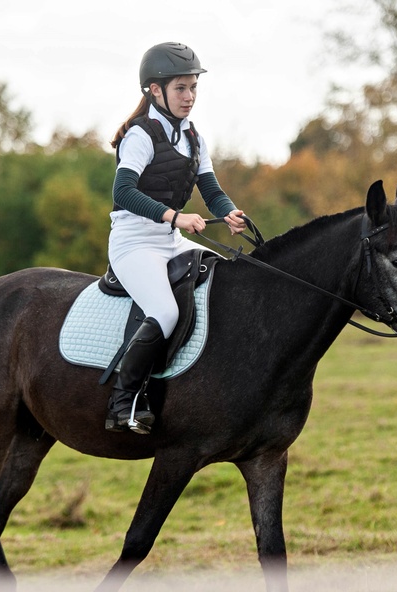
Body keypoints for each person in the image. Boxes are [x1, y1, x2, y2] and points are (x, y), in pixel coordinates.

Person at [105, 41, 247, 434]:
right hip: (134, 241)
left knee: (228, 281)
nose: (189, 97)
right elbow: (123, 192)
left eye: (193, 88)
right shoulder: (140, 135)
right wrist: (176, 217)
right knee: (165, 313)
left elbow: (211, 190)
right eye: (181, 88)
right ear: (156, 90)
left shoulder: (193, 137)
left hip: (170, 238)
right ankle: (123, 402)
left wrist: (229, 212)